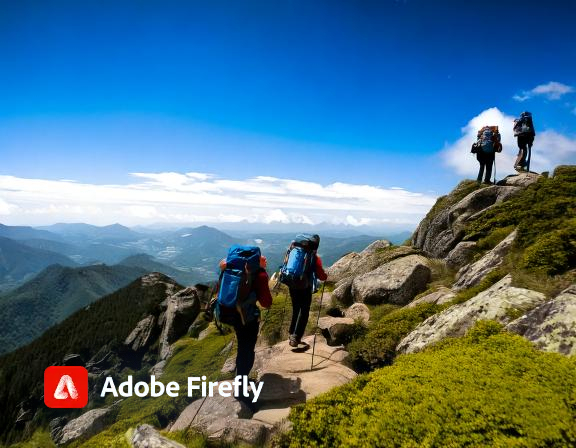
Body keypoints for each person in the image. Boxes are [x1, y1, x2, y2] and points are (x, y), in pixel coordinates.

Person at [217, 253, 272, 377]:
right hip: (248, 318)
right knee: (247, 351)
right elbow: (266, 302)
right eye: (263, 259)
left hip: (232, 313)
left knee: (242, 348)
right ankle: (241, 387)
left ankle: (241, 379)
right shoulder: (260, 274)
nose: (266, 260)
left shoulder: (230, 270)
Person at [287, 234, 328, 347]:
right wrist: (325, 276)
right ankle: (296, 337)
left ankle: (291, 333)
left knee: (296, 308)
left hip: (292, 283)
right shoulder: (314, 257)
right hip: (305, 286)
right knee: (304, 311)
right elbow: (321, 275)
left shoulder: (294, 252)